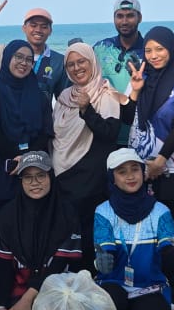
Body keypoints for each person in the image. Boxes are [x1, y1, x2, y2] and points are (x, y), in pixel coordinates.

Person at [128, 26, 174, 306]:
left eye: (160, 49)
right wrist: (135, 91)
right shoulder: (142, 80)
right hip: (139, 171)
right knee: (141, 230)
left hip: (168, 171)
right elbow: (130, 119)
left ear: (172, 49)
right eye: (148, 50)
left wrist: (160, 161)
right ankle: (148, 281)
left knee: (168, 232)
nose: (153, 55)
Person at [51, 43, 136, 270]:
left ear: (92, 62)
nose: (76, 68)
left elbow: (109, 133)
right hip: (63, 175)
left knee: (88, 236)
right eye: (71, 64)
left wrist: (87, 110)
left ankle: (89, 277)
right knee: (68, 233)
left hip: (90, 179)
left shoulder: (105, 93)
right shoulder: (65, 97)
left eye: (82, 61)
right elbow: (57, 134)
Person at [93, 148, 174, 310]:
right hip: (113, 283)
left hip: (150, 286)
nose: (130, 176)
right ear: (112, 178)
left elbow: (168, 253)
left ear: (143, 173)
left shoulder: (160, 211)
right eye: (122, 172)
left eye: (135, 169)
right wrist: (102, 261)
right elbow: (105, 256)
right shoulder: (103, 211)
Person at [0, 152, 83, 310]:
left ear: (51, 177)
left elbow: (59, 265)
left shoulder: (67, 213)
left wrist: (29, 299)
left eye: (41, 175)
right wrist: (1, 305)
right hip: (18, 290)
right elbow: (3, 266)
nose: (35, 182)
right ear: (21, 181)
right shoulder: (6, 215)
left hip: (58, 290)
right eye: (28, 177)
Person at [0, 39, 53, 233]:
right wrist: (18, 156)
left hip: (33, 170)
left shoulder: (38, 93)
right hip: (0, 170)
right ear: (7, 58)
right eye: (18, 57)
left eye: (29, 59)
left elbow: (46, 132)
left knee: (34, 231)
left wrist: (27, 158)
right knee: (2, 232)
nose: (23, 63)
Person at [0, 0, 67, 97]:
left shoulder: (59, 62)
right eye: (33, 25)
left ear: (50, 31)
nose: (38, 30)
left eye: (44, 26)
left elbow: (63, 99)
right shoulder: (4, 52)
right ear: (24, 28)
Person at [93, 0, 146, 93]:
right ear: (114, 18)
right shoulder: (101, 48)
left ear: (140, 18)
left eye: (130, 16)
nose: (124, 22)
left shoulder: (148, 51)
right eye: (120, 16)